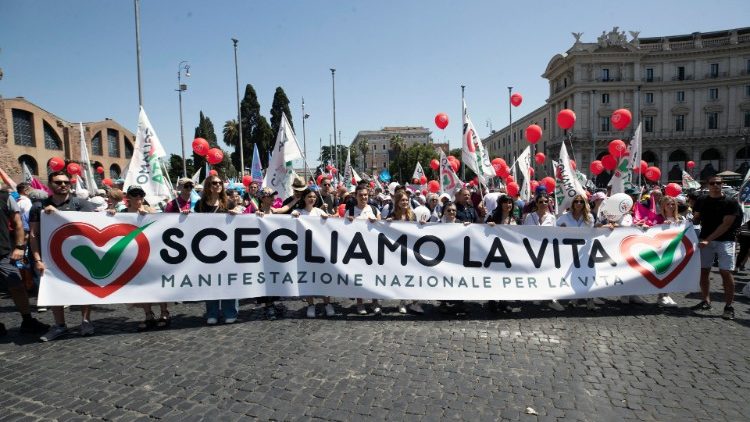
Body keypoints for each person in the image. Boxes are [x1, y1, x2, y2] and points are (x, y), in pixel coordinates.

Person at [29, 171, 96, 341]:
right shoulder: (39, 207)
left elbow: (94, 225)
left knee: (83, 288)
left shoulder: (81, 204)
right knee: (54, 290)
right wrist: (37, 259)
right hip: (51, 256)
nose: (63, 185)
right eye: (58, 182)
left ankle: (85, 321)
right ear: (50, 185)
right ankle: (60, 325)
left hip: (80, 255)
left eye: (66, 182)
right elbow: (34, 234)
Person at [691, 175, 742, 320]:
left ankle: (728, 306)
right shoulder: (702, 200)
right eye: (712, 183)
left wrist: (708, 239)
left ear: (722, 184)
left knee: (725, 272)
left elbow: (726, 224)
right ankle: (706, 301)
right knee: (704, 270)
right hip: (705, 239)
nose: (715, 185)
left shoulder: (730, 202)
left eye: (718, 183)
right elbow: (696, 218)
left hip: (725, 240)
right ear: (707, 185)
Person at [0, 188, 49, 337]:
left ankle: (27, 321)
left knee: (17, 286)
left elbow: (18, 223)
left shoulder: (5, 197)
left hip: (3, 252)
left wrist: (20, 247)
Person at [194, 175, 240, 325]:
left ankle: (230, 311)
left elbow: (241, 221)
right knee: (211, 281)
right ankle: (212, 312)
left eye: (220, 183)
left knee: (228, 280)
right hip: (207, 249)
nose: (218, 185)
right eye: (214, 183)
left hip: (226, 249)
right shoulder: (200, 205)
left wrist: (237, 214)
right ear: (208, 185)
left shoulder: (229, 203)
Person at [291, 188, 335, 318]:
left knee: (324, 277)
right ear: (304, 198)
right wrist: (293, 216)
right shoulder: (298, 212)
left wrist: (327, 218)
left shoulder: (319, 211)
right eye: (309, 196)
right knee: (308, 278)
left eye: (314, 197)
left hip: (320, 250)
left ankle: (327, 303)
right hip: (304, 251)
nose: (312, 199)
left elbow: (330, 225)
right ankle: (311, 304)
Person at [523, 193, 564, 311]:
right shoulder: (529, 217)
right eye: (540, 202)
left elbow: (555, 234)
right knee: (535, 273)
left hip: (547, 251)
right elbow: (524, 232)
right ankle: (537, 294)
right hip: (533, 250)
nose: (543, 204)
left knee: (548, 273)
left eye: (546, 202)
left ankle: (552, 298)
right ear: (536, 203)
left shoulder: (552, 218)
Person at [386, 191, 424, 315]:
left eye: (406, 200)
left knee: (413, 276)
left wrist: (421, 224)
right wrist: (388, 222)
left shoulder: (412, 215)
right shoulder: (393, 215)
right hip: (397, 251)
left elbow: (416, 231)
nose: (405, 202)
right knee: (402, 276)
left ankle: (414, 303)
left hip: (411, 251)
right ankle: (402, 302)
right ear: (397, 202)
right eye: (402, 200)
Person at [348, 184, 381, 315]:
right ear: (356, 196)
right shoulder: (350, 211)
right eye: (361, 195)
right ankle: (360, 303)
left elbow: (382, 227)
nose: (363, 197)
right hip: (356, 250)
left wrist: (377, 222)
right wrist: (348, 221)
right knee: (359, 276)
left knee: (374, 275)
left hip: (373, 248)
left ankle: (375, 301)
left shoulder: (374, 209)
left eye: (365, 195)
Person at [252, 187, 285, 319]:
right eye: (271, 196)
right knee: (263, 278)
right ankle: (268, 305)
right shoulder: (255, 212)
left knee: (274, 277)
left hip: (274, 252)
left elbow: (287, 209)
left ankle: (271, 303)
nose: (273, 198)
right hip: (260, 253)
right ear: (263, 198)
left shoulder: (275, 212)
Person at [486, 195, 517, 313]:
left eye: (510, 203)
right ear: (500, 204)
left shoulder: (514, 218)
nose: (508, 205)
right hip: (493, 251)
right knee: (494, 276)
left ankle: (504, 301)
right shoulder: (492, 216)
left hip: (508, 253)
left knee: (506, 277)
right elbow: (481, 230)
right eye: (505, 202)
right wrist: (489, 226)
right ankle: (492, 300)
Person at [654, 195, 685, 307]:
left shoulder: (680, 219)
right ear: (663, 206)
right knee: (663, 272)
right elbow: (652, 231)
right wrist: (662, 225)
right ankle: (660, 296)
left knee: (671, 272)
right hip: (662, 249)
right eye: (668, 204)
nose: (671, 206)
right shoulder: (659, 218)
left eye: (673, 204)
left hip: (676, 249)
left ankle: (666, 294)